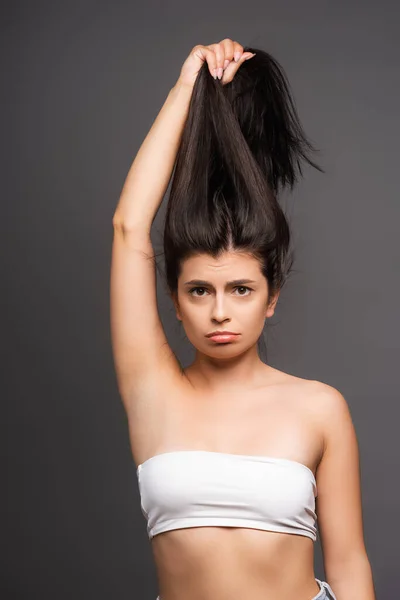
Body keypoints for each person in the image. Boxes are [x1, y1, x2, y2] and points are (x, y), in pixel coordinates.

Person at [110, 39, 376, 600]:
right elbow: (131, 227)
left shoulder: (320, 408)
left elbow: (349, 563)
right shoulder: (152, 393)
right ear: (174, 298)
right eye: (199, 290)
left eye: (242, 289)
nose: (220, 310)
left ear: (271, 296)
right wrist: (188, 85)